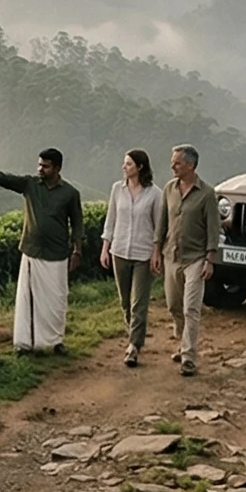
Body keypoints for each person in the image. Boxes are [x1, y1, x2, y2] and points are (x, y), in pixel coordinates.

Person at [0, 148, 84, 355]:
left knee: (56, 300)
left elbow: (77, 224)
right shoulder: (30, 185)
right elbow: (4, 179)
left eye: (45, 166)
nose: (40, 169)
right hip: (32, 251)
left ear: (57, 168)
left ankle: (55, 342)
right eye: (39, 165)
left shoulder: (70, 194)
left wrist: (77, 251)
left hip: (56, 254)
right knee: (28, 300)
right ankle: (25, 344)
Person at [151, 143, 222, 377]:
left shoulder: (207, 193)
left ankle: (189, 356)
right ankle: (182, 343)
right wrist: (156, 251)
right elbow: (162, 223)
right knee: (174, 305)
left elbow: (214, 228)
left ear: (190, 165)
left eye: (177, 162)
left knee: (191, 307)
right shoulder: (169, 189)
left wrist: (210, 259)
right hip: (171, 256)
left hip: (196, 259)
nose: (173, 166)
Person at [100, 148, 162, 367]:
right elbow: (111, 220)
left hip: (143, 254)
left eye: (128, 164)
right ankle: (133, 336)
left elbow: (158, 227)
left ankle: (134, 345)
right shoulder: (117, 189)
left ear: (140, 167)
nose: (124, 167)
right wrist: (105, 247)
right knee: (125, 301)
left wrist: (157, 253)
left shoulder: (155, 193)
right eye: (124, 164)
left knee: (139, 302)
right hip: (120, 252)